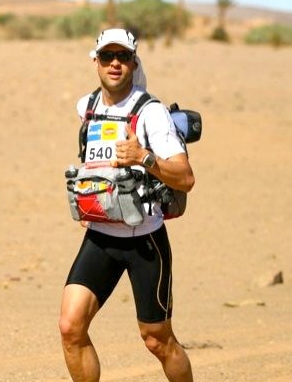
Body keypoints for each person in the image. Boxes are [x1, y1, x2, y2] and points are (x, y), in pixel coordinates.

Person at [59, 28, 195, 382]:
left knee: (156, 340)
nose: (115, 63)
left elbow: (185, 178)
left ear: (134, 62)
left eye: (122, 57)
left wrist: (143, 157)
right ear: (95, 62)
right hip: (100, 237)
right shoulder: (86, 108)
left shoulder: (152, 114)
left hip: (144, 241)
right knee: (70, 327)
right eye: (107, 57)